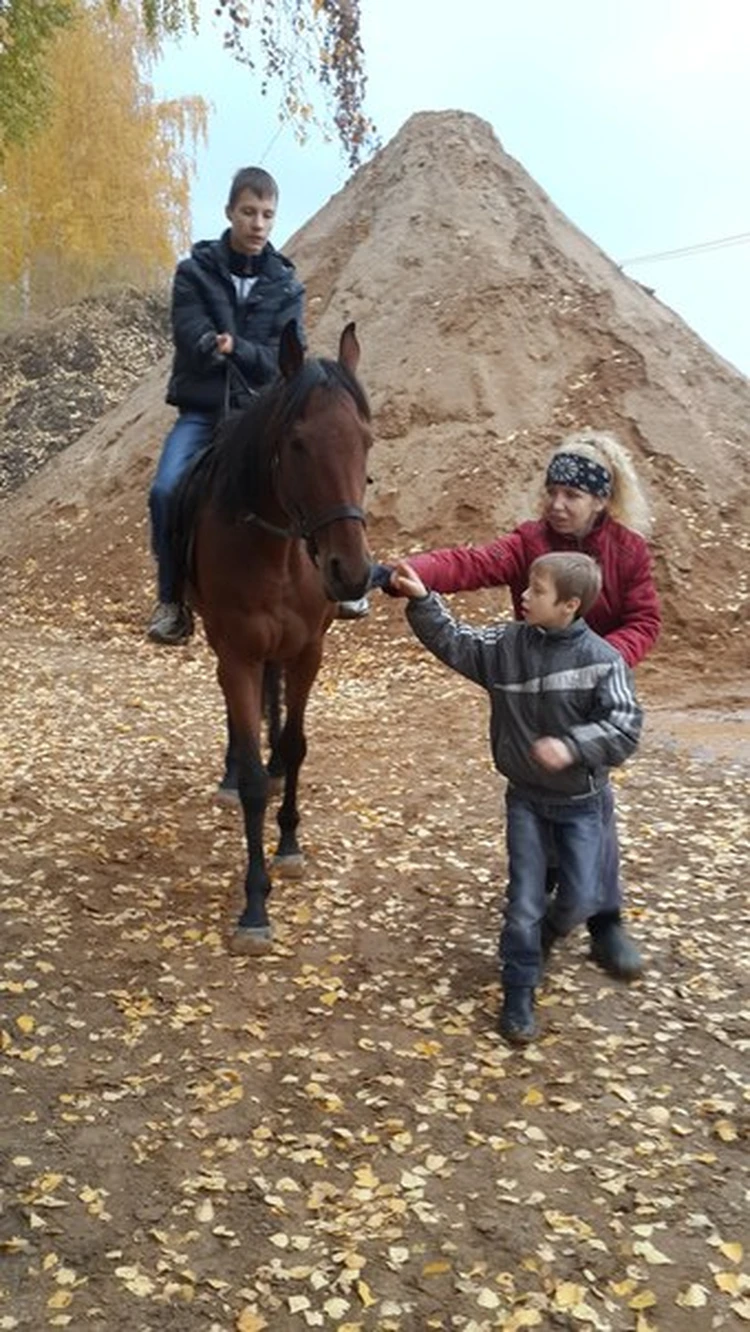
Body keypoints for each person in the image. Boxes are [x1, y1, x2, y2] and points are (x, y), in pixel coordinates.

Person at [373, 430, 660, 979]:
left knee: (593, 802)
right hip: (532, 680)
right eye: (551, 490)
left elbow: (644, 620)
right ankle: (548, 895)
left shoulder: (628, 551)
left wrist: (601, 664)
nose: (557, 503)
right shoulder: (530, 541)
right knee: (538, 789)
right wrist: (408, 573)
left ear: (600, 500)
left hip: (595, 689)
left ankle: (605, 918)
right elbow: (470, 563)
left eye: (572, 495)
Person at [392, 551, 643, 1044]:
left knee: (579, 899)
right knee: (524, 901)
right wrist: (423, 601)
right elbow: (456, 640)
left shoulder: (603, 661)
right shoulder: (507, 644)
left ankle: (547, 935)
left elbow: (625, 727)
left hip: (582, 806)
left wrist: (572, 746)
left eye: (537, 591)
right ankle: (518, 988)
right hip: (526, 801)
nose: (523, 596)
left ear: (569, 605)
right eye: (527, 587)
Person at [147, 164, 368, 647]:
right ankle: (172, 601)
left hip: (260, 415)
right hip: (203, 413)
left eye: (267, 214)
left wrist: (236, 349)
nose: (258, 223)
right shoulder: (194, 273)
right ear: (229, 213)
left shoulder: (286, 284)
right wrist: (211, 344)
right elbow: (188, 332)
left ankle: (345, 585)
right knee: (166, 490)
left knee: (326, 471)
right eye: (249, 212)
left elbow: (285, 359)